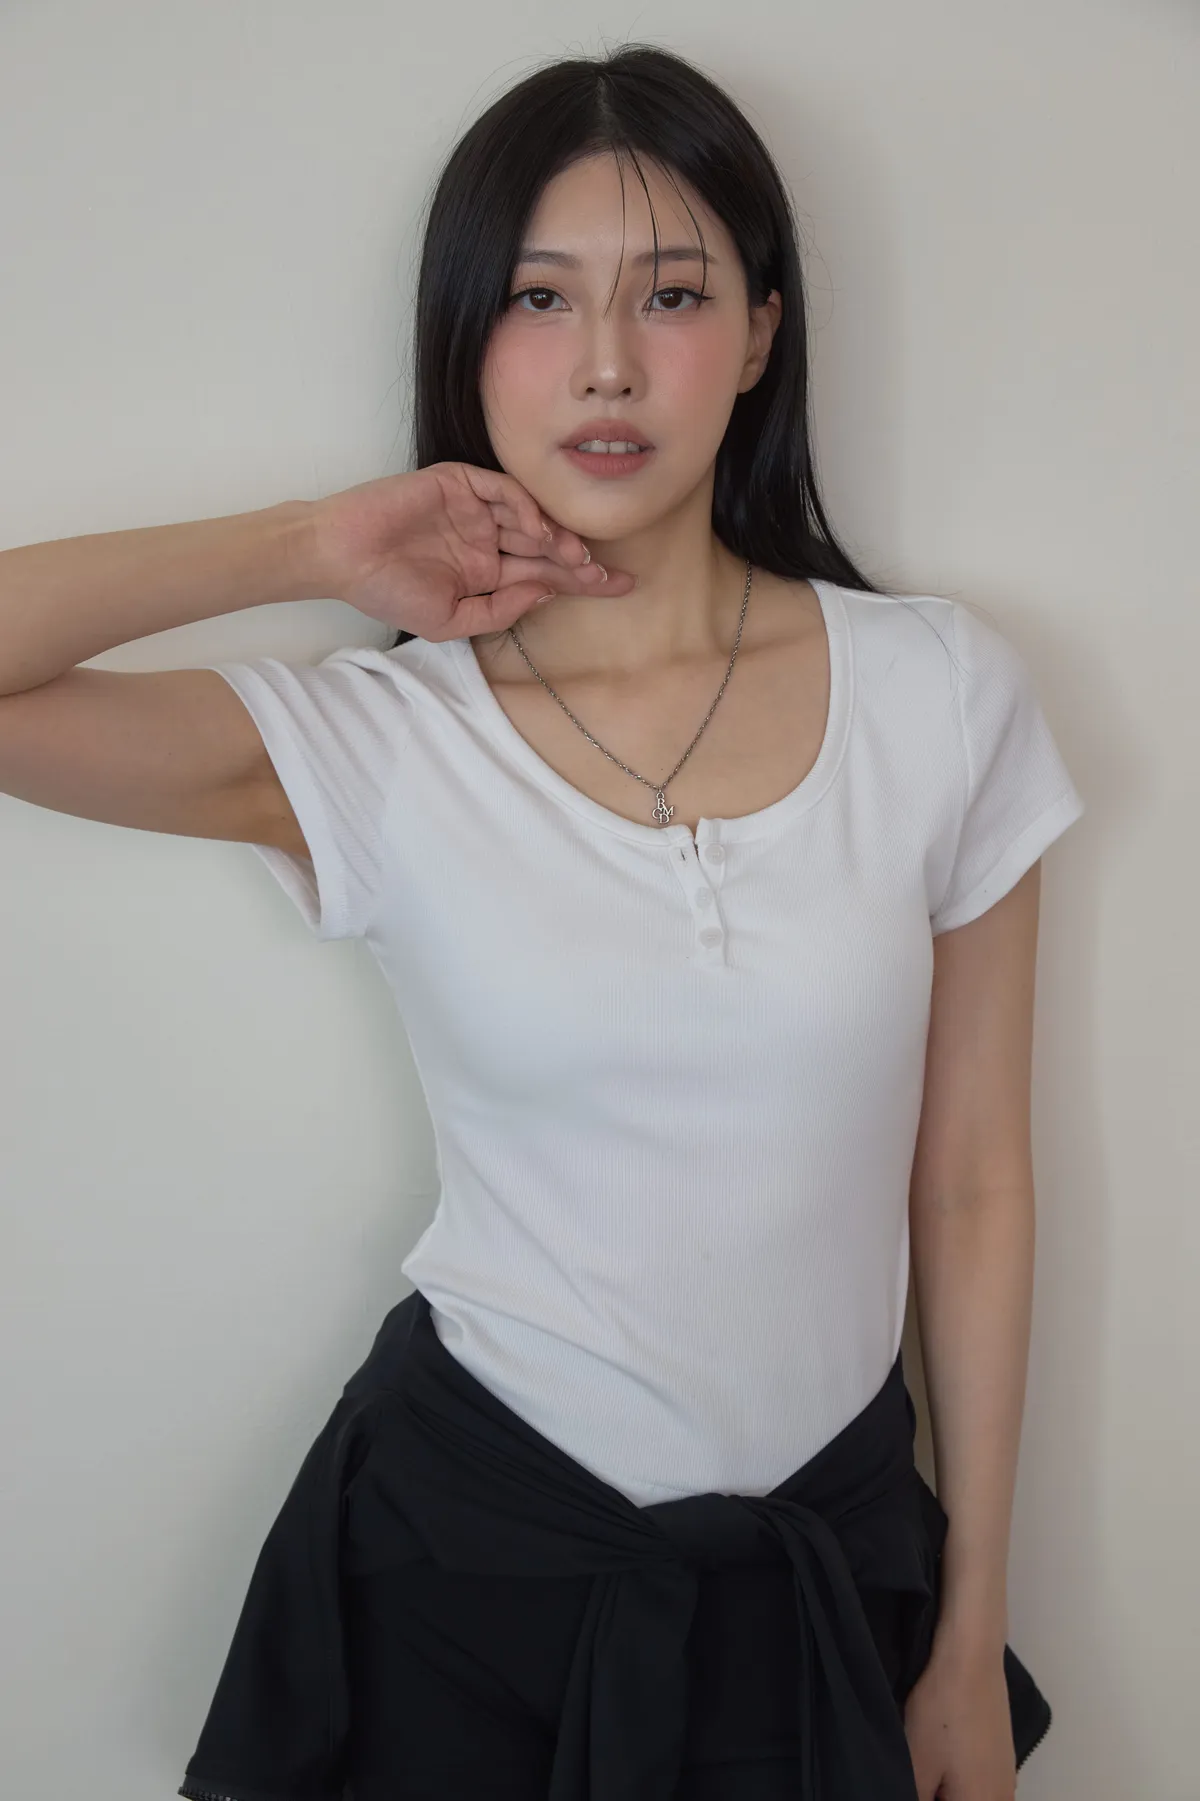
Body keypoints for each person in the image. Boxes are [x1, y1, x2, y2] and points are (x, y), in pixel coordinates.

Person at [0, 42, 1084, 1801]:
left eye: (674, 294)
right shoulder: (379, 739)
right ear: (467, 335)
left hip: (824, 1576)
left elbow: (970, 1185)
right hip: (460, 1572)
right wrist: (311, 544)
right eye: (537, 295)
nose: (605, 362)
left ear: (763, 332)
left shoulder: (941, 694)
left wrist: (970, 1638)